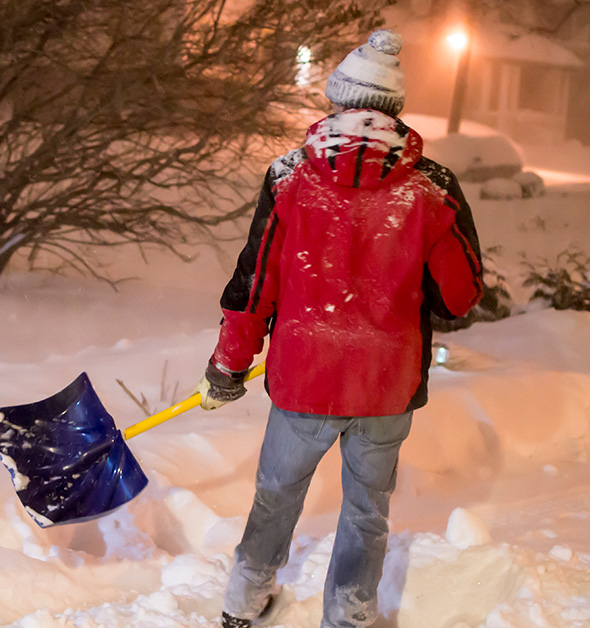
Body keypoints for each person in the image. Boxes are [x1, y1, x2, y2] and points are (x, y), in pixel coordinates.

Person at [194, 29, 484, 628]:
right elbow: (461, 297)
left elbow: (255, 284)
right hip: (387, 383)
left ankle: (242, 603)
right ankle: (349, 617)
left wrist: (228, 365)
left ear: (337, 101)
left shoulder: (288, 177)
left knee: (276, 496)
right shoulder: (432, 188)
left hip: (304, 377)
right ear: (395, 110)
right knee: (366, 511)